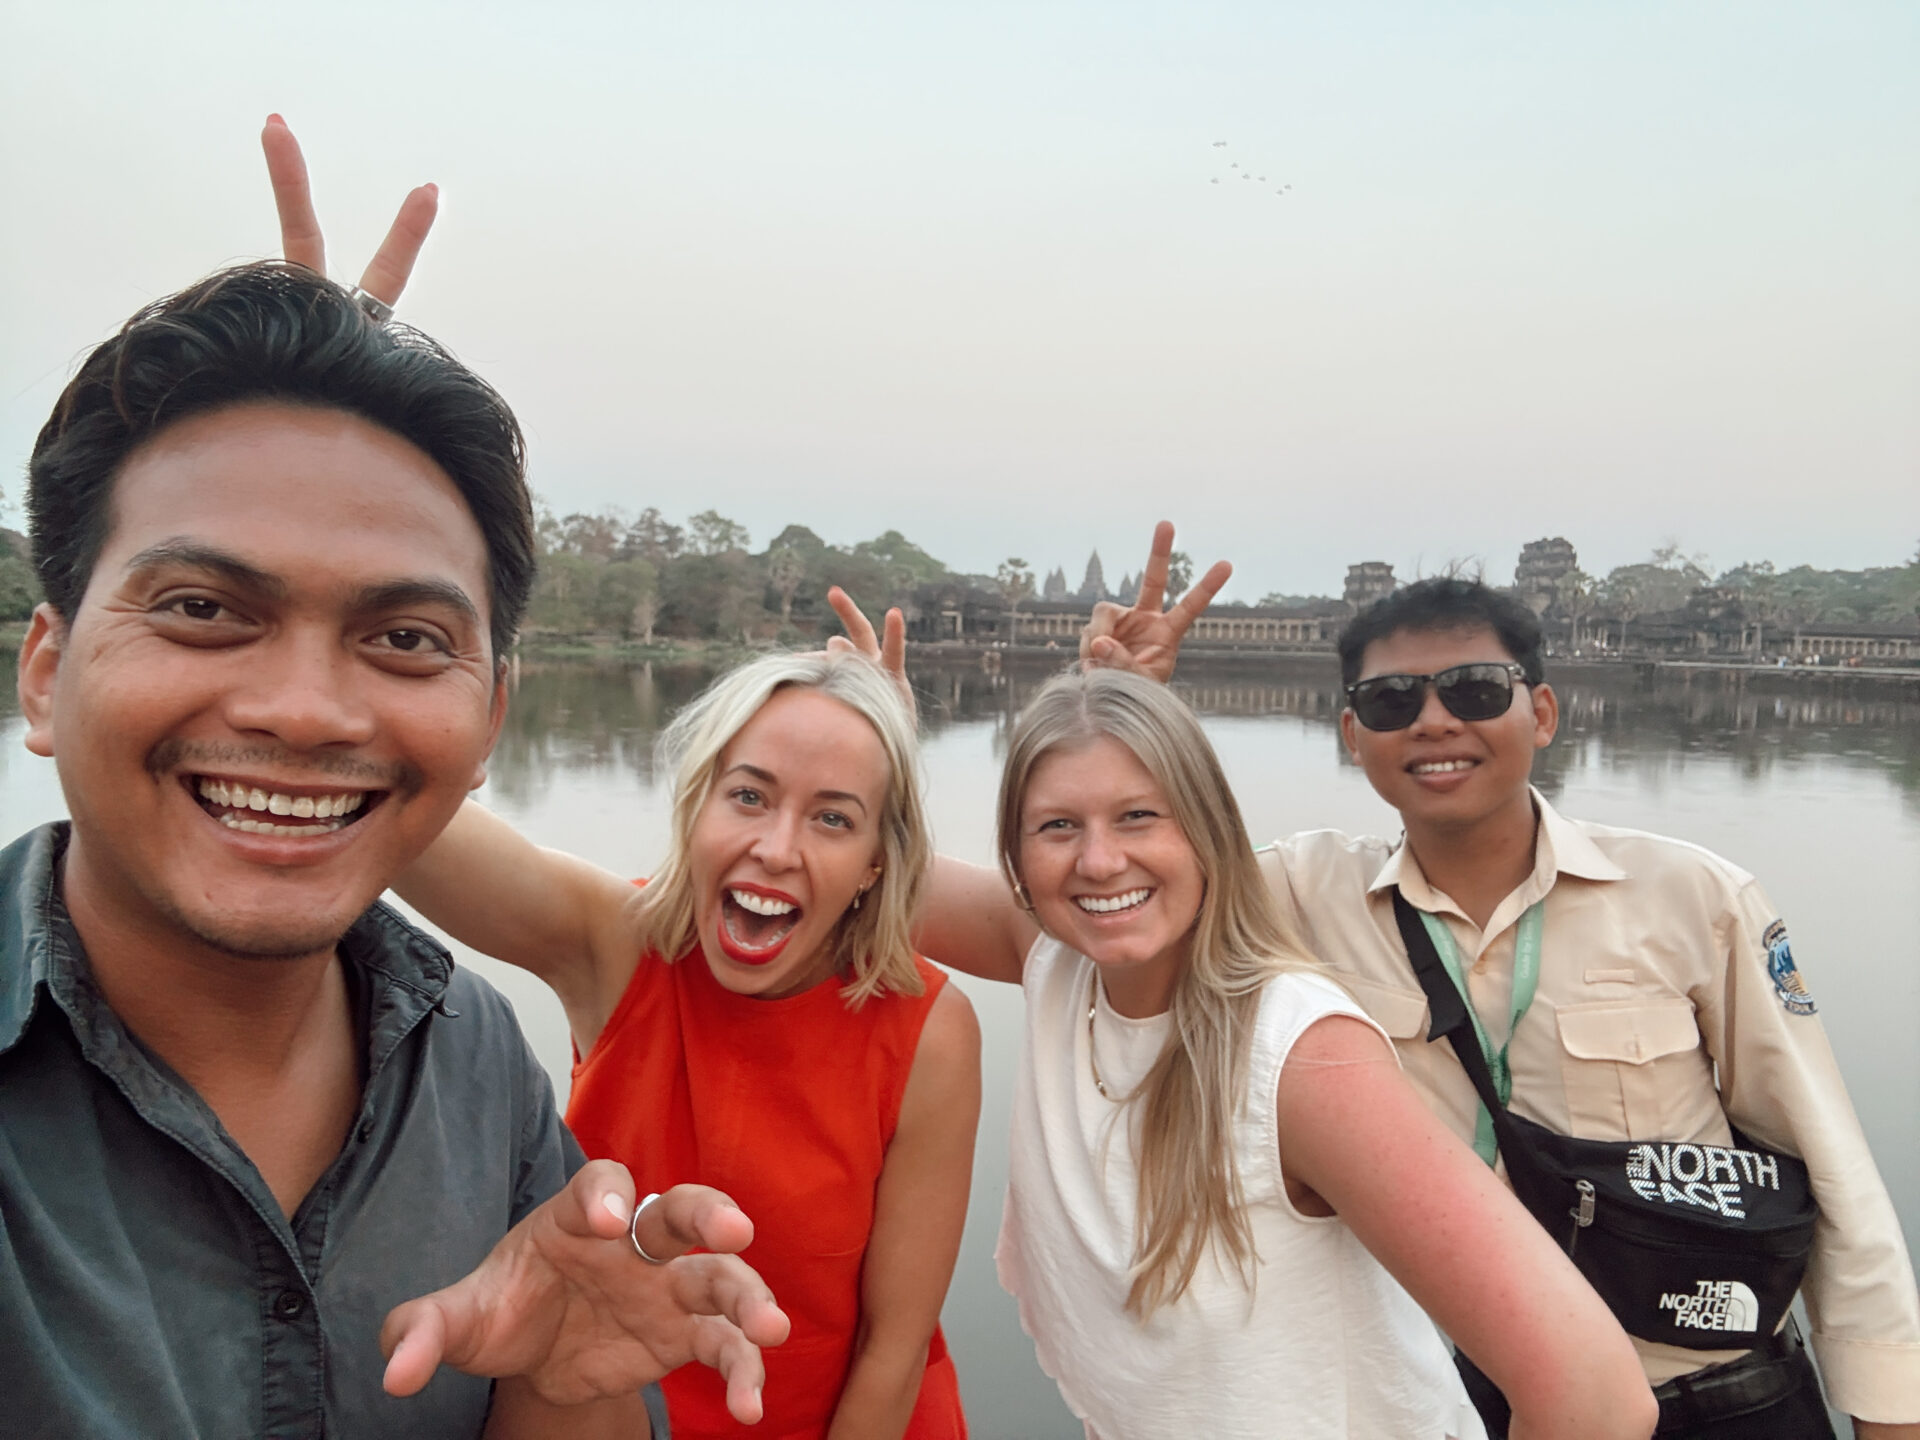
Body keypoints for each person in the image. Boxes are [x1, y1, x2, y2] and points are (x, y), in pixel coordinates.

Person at [2, 259, 791, 1439]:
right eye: (205, 610)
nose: (307, 710)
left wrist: (559, 1386)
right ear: (49, 674)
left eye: (407, 636)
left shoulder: (475, 1060)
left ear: (490, 725)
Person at [1079, 524, 1920, 1439]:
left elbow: (1830, 1168)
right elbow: (1107, 887)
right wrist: (1120, 706)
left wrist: (1888, 1416)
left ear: (1544, 714)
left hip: (1706, 1393)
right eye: (1393, 701)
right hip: (1451, 1401)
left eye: (1477, 690)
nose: (1436, 723)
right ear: (1353, 735)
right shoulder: (1294, 894)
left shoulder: (1692, 898)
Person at [903, 661, 1655, 1440]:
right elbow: (868, 867)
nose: (1098, 862)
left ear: (1207, 831)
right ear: (1018, 857)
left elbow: (1594, 1394)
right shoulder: (1060, 962)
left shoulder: (1300, 1057)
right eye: (1058, 826)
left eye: (1138, 817)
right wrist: (878, 737)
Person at [392, 647, 981, 1440]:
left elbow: (894, 1346)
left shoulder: (927, 1029)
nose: (777, 848)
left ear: (876, 863)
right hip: (596, 1414)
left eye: (832, 818)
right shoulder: (617, 946)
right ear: (697, 804)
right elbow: (404, 821)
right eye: (748, 795)